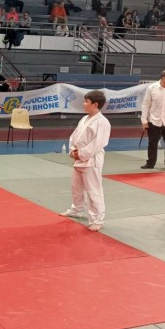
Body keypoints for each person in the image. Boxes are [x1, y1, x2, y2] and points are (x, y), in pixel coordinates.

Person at [59, 90, 112, 231]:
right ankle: (76, 210)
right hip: (79, 158)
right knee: (76, 187)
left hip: (91, 160)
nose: (83, 104)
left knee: (93, 190)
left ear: (95, 104)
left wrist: (80, 154)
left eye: (86, 102)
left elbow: (97, 144)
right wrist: (72, 150)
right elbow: (74, 136)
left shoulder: (102, 122)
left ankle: (97, 219)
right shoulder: (84, 119)